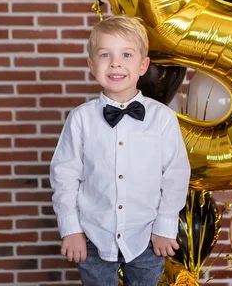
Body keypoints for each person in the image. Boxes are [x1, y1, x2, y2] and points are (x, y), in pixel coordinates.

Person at [50, 15, 191, 286]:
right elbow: (64, 176)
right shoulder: (80, 119)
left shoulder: (162, 118)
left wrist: (165, 226)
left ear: (143, 65)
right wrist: (71, 229)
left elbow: (175, 175)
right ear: (92, 66)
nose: (116, 63)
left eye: (127, 54)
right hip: (92, 234)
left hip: (147, 235)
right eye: (105, 55)